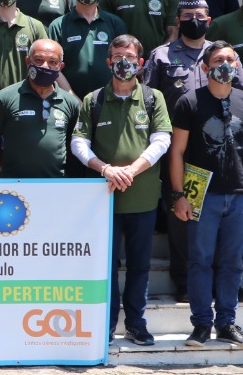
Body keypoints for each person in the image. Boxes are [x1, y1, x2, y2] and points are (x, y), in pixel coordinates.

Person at [144, 0, 243, 299]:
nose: (194, 20)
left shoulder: (222, 55)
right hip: (180, 149)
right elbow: (148, 100)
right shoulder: (161, 55)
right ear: (178, 20)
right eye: (188, 16)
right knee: (182, 218)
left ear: (209, 20)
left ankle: (225, 283)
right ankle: (186, 283)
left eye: (199, 16)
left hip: (220, 150)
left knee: (223, 219)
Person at [71, 35, 172, 345]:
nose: (123, 62)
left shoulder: (153, 97)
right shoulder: (94, 100)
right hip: (105, 200)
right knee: (106, 266)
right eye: (117, 56)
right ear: (108, 61)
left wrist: (130, 170)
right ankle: (106, 325)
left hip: (143, 199)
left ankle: (136, 324)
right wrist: (106, 169)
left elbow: (162, 140)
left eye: (129, 57)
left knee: (140, 266)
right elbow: (78, 142)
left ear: (140, 63)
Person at [169, 41, 243, 348]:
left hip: (239, 193)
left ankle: (227, 323)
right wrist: (178, 194)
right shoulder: (189, 101)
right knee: (200, 260)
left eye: (230, 59)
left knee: (232, 261)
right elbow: (177, 151)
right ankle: (201, 324)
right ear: (205, 67)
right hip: (202, 194)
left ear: (237, 64)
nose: (224, 65)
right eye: (217, 60)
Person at [0, 39, 82, 179]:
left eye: (52, 62)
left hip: (57, 184)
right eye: (38, 60)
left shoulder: (70, 102)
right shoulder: (4, 98)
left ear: (61, 67)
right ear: (27, 61)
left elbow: (74, 144)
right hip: (15, 185)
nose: (45, 66)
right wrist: (7, 172)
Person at [47, 0, 128, 98]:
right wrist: (73, 99)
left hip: (109, 101)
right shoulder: (58, 26)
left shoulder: (115, 23)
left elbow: (125, 62)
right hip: (69, 102)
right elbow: (52, 66)